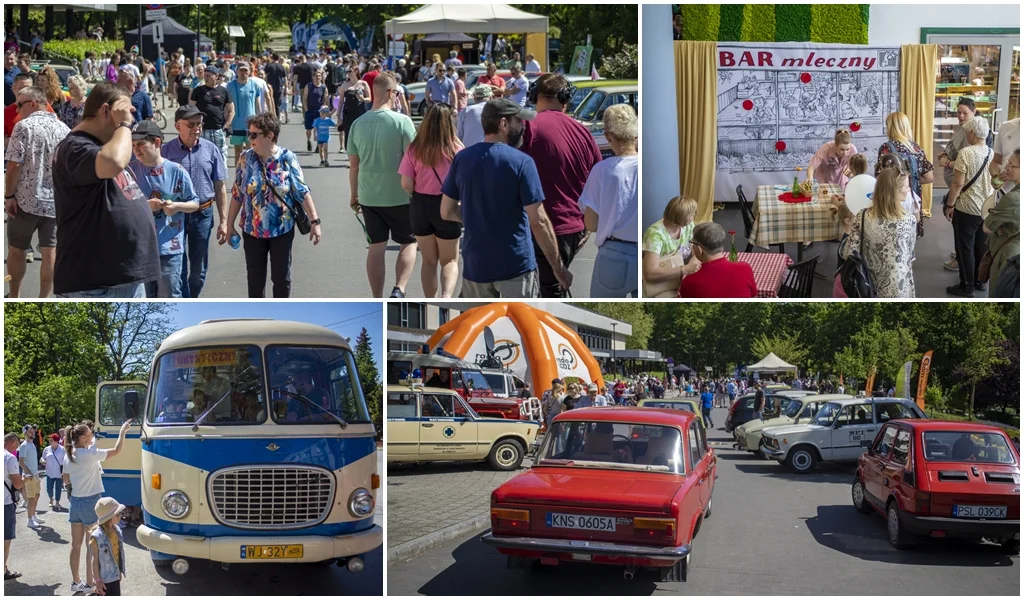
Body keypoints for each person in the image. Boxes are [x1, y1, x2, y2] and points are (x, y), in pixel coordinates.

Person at [440, 99, 571, 298]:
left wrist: (478, 215)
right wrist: (558, 269)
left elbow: (446, 211)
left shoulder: (462, 159)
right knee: (518, 325)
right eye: (518, 121)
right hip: (515, 264)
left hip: (476, 266)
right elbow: (539, 221)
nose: (523, 126)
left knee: (481, 326)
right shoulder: (522, 162)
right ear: (503, 124)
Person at [52, 82, 161, 297]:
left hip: (120, 280)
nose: (132, 122)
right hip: (95, 285)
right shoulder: (74, 147)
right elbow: (112, 162)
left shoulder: (99, 146)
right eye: (126, 114)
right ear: (105, 111)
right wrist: (123, 126)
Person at [520, 74, 603, 298]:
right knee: (553, 288)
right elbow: (599, 181)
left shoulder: (529, 128)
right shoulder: (583, 132)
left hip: (542, 227)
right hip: (573, 228)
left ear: (534, 96)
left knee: (544, 294)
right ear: (566, 99)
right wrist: (587, 226)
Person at [226, 113, 322, 297]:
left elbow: (301, 191)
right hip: (252, 230)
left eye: (254, 135)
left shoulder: (287, 158)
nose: (250, 138)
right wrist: (229, 225)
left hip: (281, 230)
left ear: (269, 135)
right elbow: (237, 193)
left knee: (281, 278)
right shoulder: (246, 159)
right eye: (249, 133)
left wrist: (315, 222)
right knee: (255, 280)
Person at [348, 72, 417, 298]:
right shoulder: (402, 121)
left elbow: (354, 165)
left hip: (368, 195)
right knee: (408, 242)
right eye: (397, 92)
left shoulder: (357, 124)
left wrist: (354, 194)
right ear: (390, 92)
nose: (398, 96)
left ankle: (377, 296)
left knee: (376, 247)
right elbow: (413, 159)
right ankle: (400, 288)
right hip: (400, 194)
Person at [5, 86, 70, 298]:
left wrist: (8, 196)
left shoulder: (23, 127)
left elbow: (14, 165)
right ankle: (44, 298)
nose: (16, 109)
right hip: (54, 203)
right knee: (50, 251)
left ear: (33, 103)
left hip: (25, 199)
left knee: (17, 249)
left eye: (19, 104)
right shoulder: (64, 129)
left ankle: (14, 296)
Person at [162, 105, 230, 299]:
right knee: (178, 268)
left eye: (199, 124)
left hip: (203, 214)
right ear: (177, 126)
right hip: (176, 216)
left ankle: (191, 298)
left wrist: (224, 221)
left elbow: (220, 186)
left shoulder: (211, 149)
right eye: (191, 124)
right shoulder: (166, 151)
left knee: (198, 272)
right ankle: (184, 300)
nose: (197, 128)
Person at [399, 102, 464, 298]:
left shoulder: (415, 148)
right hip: (448, 205)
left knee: (428, 261)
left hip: (420, 205)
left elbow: (406, 183)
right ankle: (446, 296)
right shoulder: (456, 149)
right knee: (450, 260)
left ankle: (430, 299)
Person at [130, 120, 201, 298]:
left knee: (169, 295)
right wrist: (146, 206)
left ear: (157, 143)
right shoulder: (130, 171)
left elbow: (194, 202)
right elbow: (121, 208)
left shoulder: (176, 170)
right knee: (143, 298)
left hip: (169, 248)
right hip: (140, 249)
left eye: (141, 144)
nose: (136, 150)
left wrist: (177, 206)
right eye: (133, 145)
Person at [63, 419, 131, 595]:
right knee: (91, 546)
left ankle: (76, 582)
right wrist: (122, 431)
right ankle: (90, 584)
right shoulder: (89, 454)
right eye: (91, 434)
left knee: (75, 545)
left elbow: (66, 479)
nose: (93, 436)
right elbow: (117, 451)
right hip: (91, 501)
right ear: (84, 437)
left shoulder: (69, 454)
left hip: (75, 501)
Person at [579, 104, 639, 297]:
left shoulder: (602, 170)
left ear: (608, 136)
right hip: (649, 251)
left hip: (615, 253)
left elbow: (591, 223)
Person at [838, 164, 917, 298]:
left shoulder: (862, 216)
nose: (909, 189)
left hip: (867, 283)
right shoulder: (909, 220)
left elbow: (848, 252)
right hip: (898, 286)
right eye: (906, 186)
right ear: (895, 191)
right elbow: (909, 255)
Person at [945, 115, 995, 297]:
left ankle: (966, 286)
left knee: (964, 247)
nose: (966, 136)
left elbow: (957, 184)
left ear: (972, 133)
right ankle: (980, 281)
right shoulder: (991, 152)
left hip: (966, 208)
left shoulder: (965, 153)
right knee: (981, 246)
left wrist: (950, 204)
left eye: (968, 133)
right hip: (985, 209)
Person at [938, 97, 982, 272]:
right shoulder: (963, 129)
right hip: (960, 188)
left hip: (964, 190)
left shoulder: (973, 134)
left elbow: (968, 164)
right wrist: (944, 154)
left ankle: (963, 264)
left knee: (963, 229)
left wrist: (947, 163)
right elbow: (954, 149)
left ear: (974, 111)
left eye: (965, 113)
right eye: (959, 112)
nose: (961, 116)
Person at [876, 111, 934, 228]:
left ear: (891, 127)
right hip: (912, 199)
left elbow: (880, 177)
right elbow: (929, 177)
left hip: (892, 200)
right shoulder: (916, 148)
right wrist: (911, 181)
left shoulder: (886, 148)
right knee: (909, 233)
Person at [678, 222, 757, 298]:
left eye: (692, 243)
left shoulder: (689, 282)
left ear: (699, 249)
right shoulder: (744, 268)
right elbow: (753, 295)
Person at [642, 196, 701, 294]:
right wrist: (685, 269)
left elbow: (696, 250)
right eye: (691, 214)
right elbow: (650, 274)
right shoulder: (655, 234)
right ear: (681, 217)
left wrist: (692, 264)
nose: (694, 216)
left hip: (678, 277)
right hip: (661, 284)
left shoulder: (688, 225)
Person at [984, 149, 1020, 297]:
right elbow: (995, 183)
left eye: (1011, 165)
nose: (1006, 167)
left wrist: (997, 224)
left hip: (1006, 254)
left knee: (998, 293)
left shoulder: (1013, 199)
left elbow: (986, 227)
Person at [191, 66, 234, 163]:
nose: (206, 78)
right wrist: (195, 126)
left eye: (209, 76)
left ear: (216, 76)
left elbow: (231, 110)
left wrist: (226, 126)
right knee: (202, 158)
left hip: (218, 130)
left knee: (220, 159)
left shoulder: (224, 91)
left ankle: (220, 178)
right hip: (202, 130)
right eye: (205, 75)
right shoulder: (198, 90)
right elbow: (191, 110)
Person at [227, 63, 263, 168]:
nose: (243, 73)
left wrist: (260, 120)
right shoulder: (230, 86)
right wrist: (227, 123)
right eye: (241, 70)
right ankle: (238, 176)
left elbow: (257, 103)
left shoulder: (254, 85)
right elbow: (227, 106)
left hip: (250, 124)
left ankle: (249, 175)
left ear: (249, 71)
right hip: (236, 124)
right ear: (237, 71)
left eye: (245, 71)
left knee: (250, 151)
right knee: (238, 151)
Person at [88, 497, 126, 596]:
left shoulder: (117, 531)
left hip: (115, 576)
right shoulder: (96, 537)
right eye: (117, 514)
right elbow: (94, 560)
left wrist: (119, 571)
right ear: (109, 518)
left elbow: (118, 554)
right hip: (104, 580)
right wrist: (97, 580)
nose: (120, 516)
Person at [4, 432, 24, 581]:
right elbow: (17, 483)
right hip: (5, 504)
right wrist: (24, 480)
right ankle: (3, 570)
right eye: (17, 444)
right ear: (11, 442)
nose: (17, 447)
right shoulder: (9, 458)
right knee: (5, 539)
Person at [337, 67, 369, 154]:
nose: (348, 73)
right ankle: (350, 158)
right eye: (347, 71)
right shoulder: (345, 85)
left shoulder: (363, 84)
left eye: (350, 71)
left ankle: (359, 155)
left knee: (360, 134)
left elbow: (369, 99)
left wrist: (363, 99)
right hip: (348, 113)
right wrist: (338, 115)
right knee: (348, 134)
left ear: (356, 71)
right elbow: (340, 101)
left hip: (360, 113)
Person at [17, 426, 41, 528]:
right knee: (31, 498)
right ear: (25, 433)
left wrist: (35, 473)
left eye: (33, 431)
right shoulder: (24, 445)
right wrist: (29, 473)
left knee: (37, 496)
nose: (32, 432)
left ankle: (33, 516)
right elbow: (21, 462)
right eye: (30, 431)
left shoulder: (32, 444)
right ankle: (29, 520)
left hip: (35, 475)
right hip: (29, 476)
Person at [302, 69, 329, 153]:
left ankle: (318, 145)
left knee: (318, 128)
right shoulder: (309, 86)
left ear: (321, 78)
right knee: (309, 129)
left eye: (319, 76)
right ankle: (308, 141)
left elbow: (326, 99)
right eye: (316, 76)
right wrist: (306, 110)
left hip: (319, 111)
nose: (318, 77)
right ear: (313, 77)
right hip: (310, 110)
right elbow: (304, 99)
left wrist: (325, 110)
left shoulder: (324, 87)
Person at [42, 433, 66, 511]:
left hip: (59, 472)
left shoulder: (62, 449)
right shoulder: (46, 449)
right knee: (49, 488)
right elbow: (42, 458)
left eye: (51, 440)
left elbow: (66, 461)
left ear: (56, 441)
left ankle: (57, 502)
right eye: (49, 440)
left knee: (58, 488)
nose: (50, 441)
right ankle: (51, 498)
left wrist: (65, 471)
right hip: (50, 471)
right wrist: (42, 461)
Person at [264, 53, 288, 122]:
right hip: (279, 87)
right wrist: (286, 88)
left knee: (269, 103)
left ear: (272, 58)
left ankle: (270, 118)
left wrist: (265, 84)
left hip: (269, 87)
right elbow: (285, 78)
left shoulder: (268, 66)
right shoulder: (281, 66)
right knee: (277, 104)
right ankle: (276, 118)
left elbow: (265, 76)